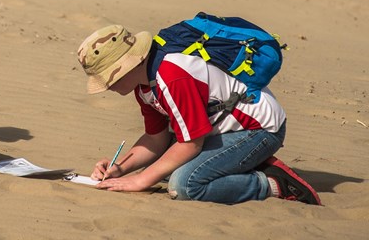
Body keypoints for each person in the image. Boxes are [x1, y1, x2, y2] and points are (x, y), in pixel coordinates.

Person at [76, 24, 321, 205]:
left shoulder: (172, 75)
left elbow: (191, 144)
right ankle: (237, 165)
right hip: (217, 130)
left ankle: (272, 184)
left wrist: (140, 181)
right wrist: (121, 169)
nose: (107, 86)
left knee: (185, 185)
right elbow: (155, 139)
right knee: (164, 169)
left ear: (129, 65)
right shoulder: (143, 84)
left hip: (258, 130)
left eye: (109, 78)